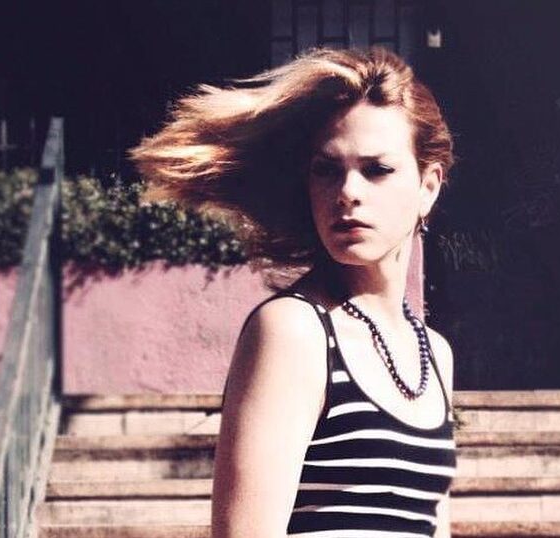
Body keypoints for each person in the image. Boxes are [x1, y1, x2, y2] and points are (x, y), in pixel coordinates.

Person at [129, 46, 457, 538]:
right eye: (326, 170)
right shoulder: (294, 331)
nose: (348, 191)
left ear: (428, 186)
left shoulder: (436, 353)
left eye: (377, 169)